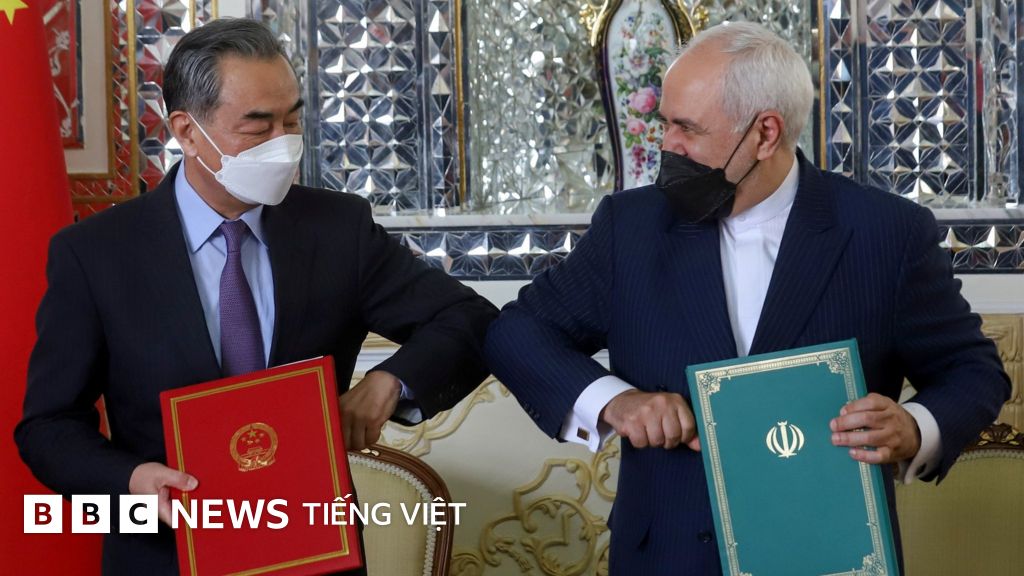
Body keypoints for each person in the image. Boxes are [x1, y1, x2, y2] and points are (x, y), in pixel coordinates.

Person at [484, 21, 1010, 574]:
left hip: (830, 556)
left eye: (687, 128)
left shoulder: (887, 233)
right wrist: (616, 401)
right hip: (668, 556)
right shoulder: (630, 227)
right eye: (665, 123)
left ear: (765, 134)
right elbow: (516, 332)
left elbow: (973, 371)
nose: (666, 145)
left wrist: (915, 426)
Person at [15, 18, 497, 575]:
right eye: (258, 125)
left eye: (292, 120)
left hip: (316, 551)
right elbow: (49, 427)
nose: (284, 144)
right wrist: (130, 481)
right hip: (164, 554)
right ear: (187, 131)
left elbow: (468, 317)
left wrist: (389, 382)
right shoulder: (96, 253)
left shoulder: (338, 229)